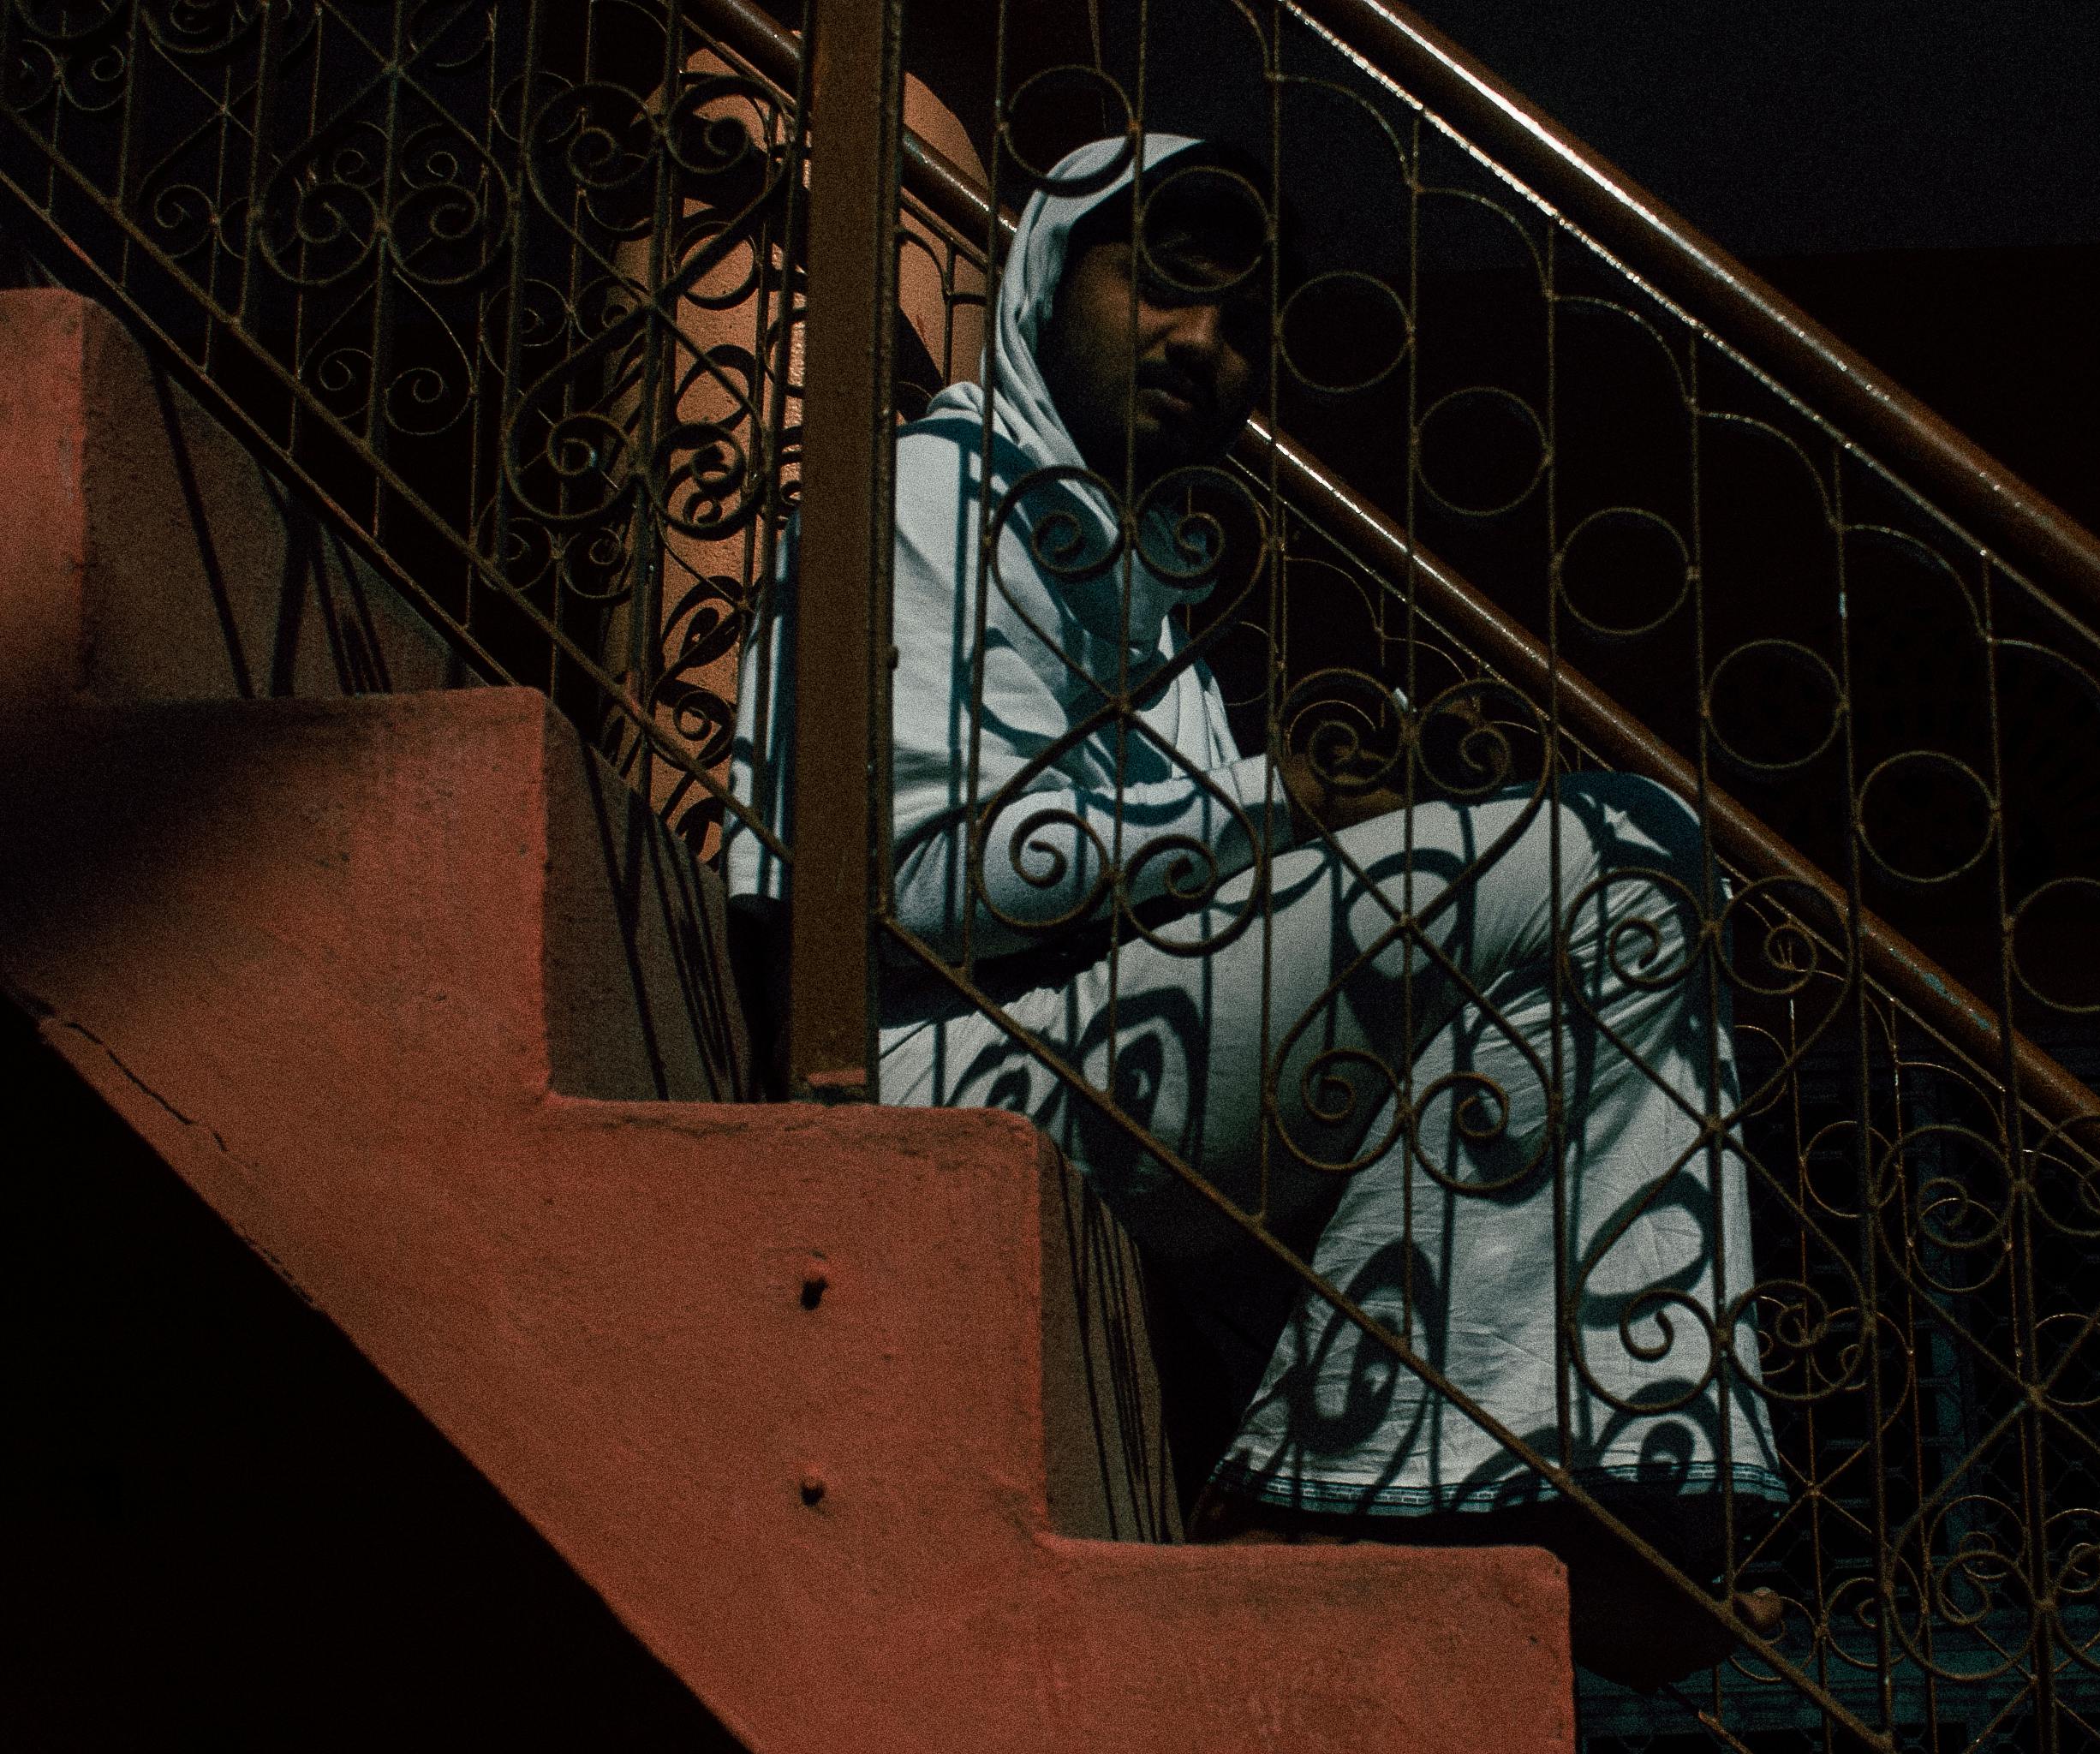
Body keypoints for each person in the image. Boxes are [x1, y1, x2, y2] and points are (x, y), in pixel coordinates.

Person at [727, 132, 1782, 1685]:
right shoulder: (924, 493)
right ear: (1039, 277)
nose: (1205, 346)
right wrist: (1265, 818)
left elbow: (1201, 866)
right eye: (1160, 281)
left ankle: (1551, 1478)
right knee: (1611, 854)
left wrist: (1276, 832)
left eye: (1244, 320)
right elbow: (883, 879)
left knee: (1589, 925)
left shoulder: (1144, 586)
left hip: (1107, 1060)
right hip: (926, 1070)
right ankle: (1373, 1484)